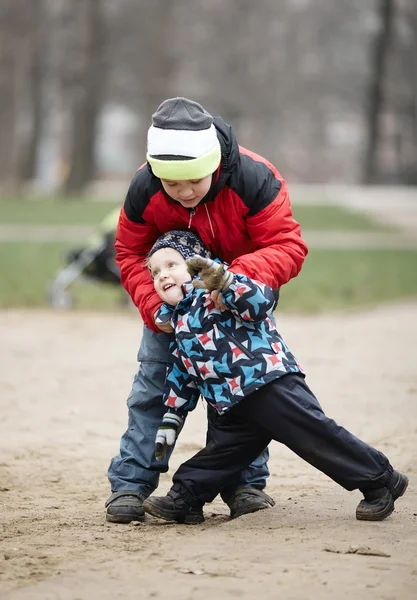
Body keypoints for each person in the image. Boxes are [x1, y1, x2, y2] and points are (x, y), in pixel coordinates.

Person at [106, 97, 308, 523]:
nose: (183, 193)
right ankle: (130, 484)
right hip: (173, 314)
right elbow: (129, 250)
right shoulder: (145, 188)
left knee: (244, 397)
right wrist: (154, 306)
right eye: (171, 184)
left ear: (214, 161)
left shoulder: (255, 179)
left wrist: (229, 280)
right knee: (153, 396)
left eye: (193, 181)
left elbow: (287, 246)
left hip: (235, 308)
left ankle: (246, 485)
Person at [141, 230, 408, 525]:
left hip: (268, 383)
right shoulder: (178, 322)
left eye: (171, 265)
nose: (162, 276)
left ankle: (381, 480)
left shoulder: (217, 290)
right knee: (220, 455)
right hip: (229, 404)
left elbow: (259, 303)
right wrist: (171, 417)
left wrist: (224, 281)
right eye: (154, 272)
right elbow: (183, 372)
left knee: (314, 436)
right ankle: (185, 498)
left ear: (195, 265)